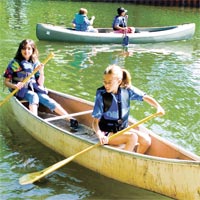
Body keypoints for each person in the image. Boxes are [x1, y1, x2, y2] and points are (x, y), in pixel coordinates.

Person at [3, 39, 78, 131]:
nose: (26, 51)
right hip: (19, 90)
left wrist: (41, 71)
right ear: (20, 50)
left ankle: (70, 119)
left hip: (33, 87)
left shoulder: (35, 62)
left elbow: (40, 83)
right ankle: (35, 121)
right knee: (34, 96)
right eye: (24, 48)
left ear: (33, 50)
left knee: (46, 99)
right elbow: (6, 82)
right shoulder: (15, 63)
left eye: (29, 49)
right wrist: (15, 86)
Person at [92, 65, 165, 153]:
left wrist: (158, 106)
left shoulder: (127, 90)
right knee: (132, 137)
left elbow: (145, 97)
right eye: (105, 82)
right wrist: (100, 135)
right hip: (107, 133)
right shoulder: (101, 95)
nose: (106, 85)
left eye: (109, 82)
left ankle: (134, 159)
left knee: (146, 141)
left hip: (123, 129)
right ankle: (124, 162)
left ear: (119, 81)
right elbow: (95, 122)